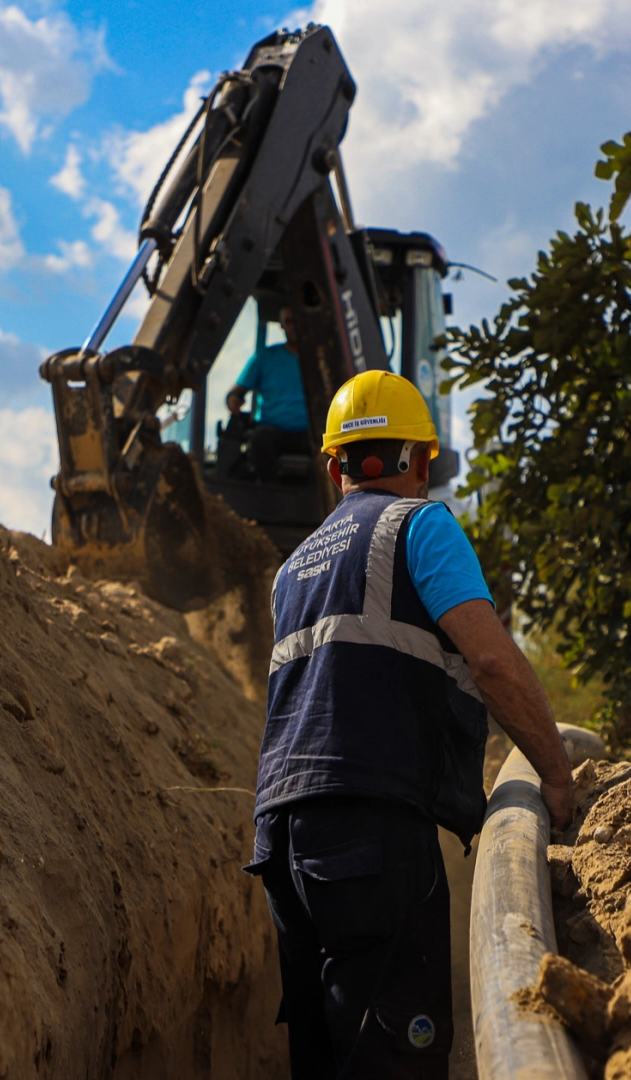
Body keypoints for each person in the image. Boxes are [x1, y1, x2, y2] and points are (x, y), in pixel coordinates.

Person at [245, 370, 574, 1078]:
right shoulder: (419, 525)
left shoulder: (293, 567)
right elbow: (490, 660)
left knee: (327, 1057)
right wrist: (553, 771)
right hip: (372, 835)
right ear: (421, 460)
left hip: (283, 841)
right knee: (397, 1058)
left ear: (334, 468)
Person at [226, 306, 309, 483]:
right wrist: (234, 399)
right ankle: (269, 497)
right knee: (259, 440)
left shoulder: (319, 359)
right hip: (274, 432)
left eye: (297, 320)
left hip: (310, 434)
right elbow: (237, 391)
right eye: (288, 321)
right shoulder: (265, 357)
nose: (293, 326)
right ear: (282, 325)